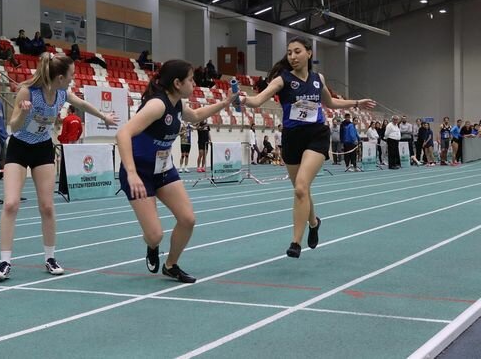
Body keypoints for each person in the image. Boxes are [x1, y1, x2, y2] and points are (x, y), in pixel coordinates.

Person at [241, 37, 376, 258]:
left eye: (297, 52)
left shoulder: (317, 79)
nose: (292, 57)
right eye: (289, 53)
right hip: (292, 138)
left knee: (302, 187)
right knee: (301, 190)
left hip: (316, 135)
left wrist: (356, 103)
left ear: (309, 53)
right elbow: (257, 101)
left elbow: (330, 103)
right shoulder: (281, 80)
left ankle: (295, 242)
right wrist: (243, 99)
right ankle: (313, 223)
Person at [0, 54, 118, 281]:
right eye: (71, 74)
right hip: (19, 147)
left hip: (42, 148)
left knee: (47, 207)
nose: (73, 78)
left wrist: (103, 116)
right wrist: (23, 111)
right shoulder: (28, 92)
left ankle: (50, 258)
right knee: (11, 204)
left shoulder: (61, 93)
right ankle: (4, 262)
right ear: (60, 77)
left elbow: (81, 104)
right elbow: (13, 125)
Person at [116, 59, 237, 283]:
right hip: (140, 172)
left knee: (188, 219)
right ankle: (152, 246)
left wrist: (226, 102)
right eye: (191, 80)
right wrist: (131, 173)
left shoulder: (178, 105)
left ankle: (171, 265)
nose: (194, 84)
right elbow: (123, 133)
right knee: (155, 235)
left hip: (163, 169)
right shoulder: (157, 105)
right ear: (177, 83)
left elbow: (198, 115)